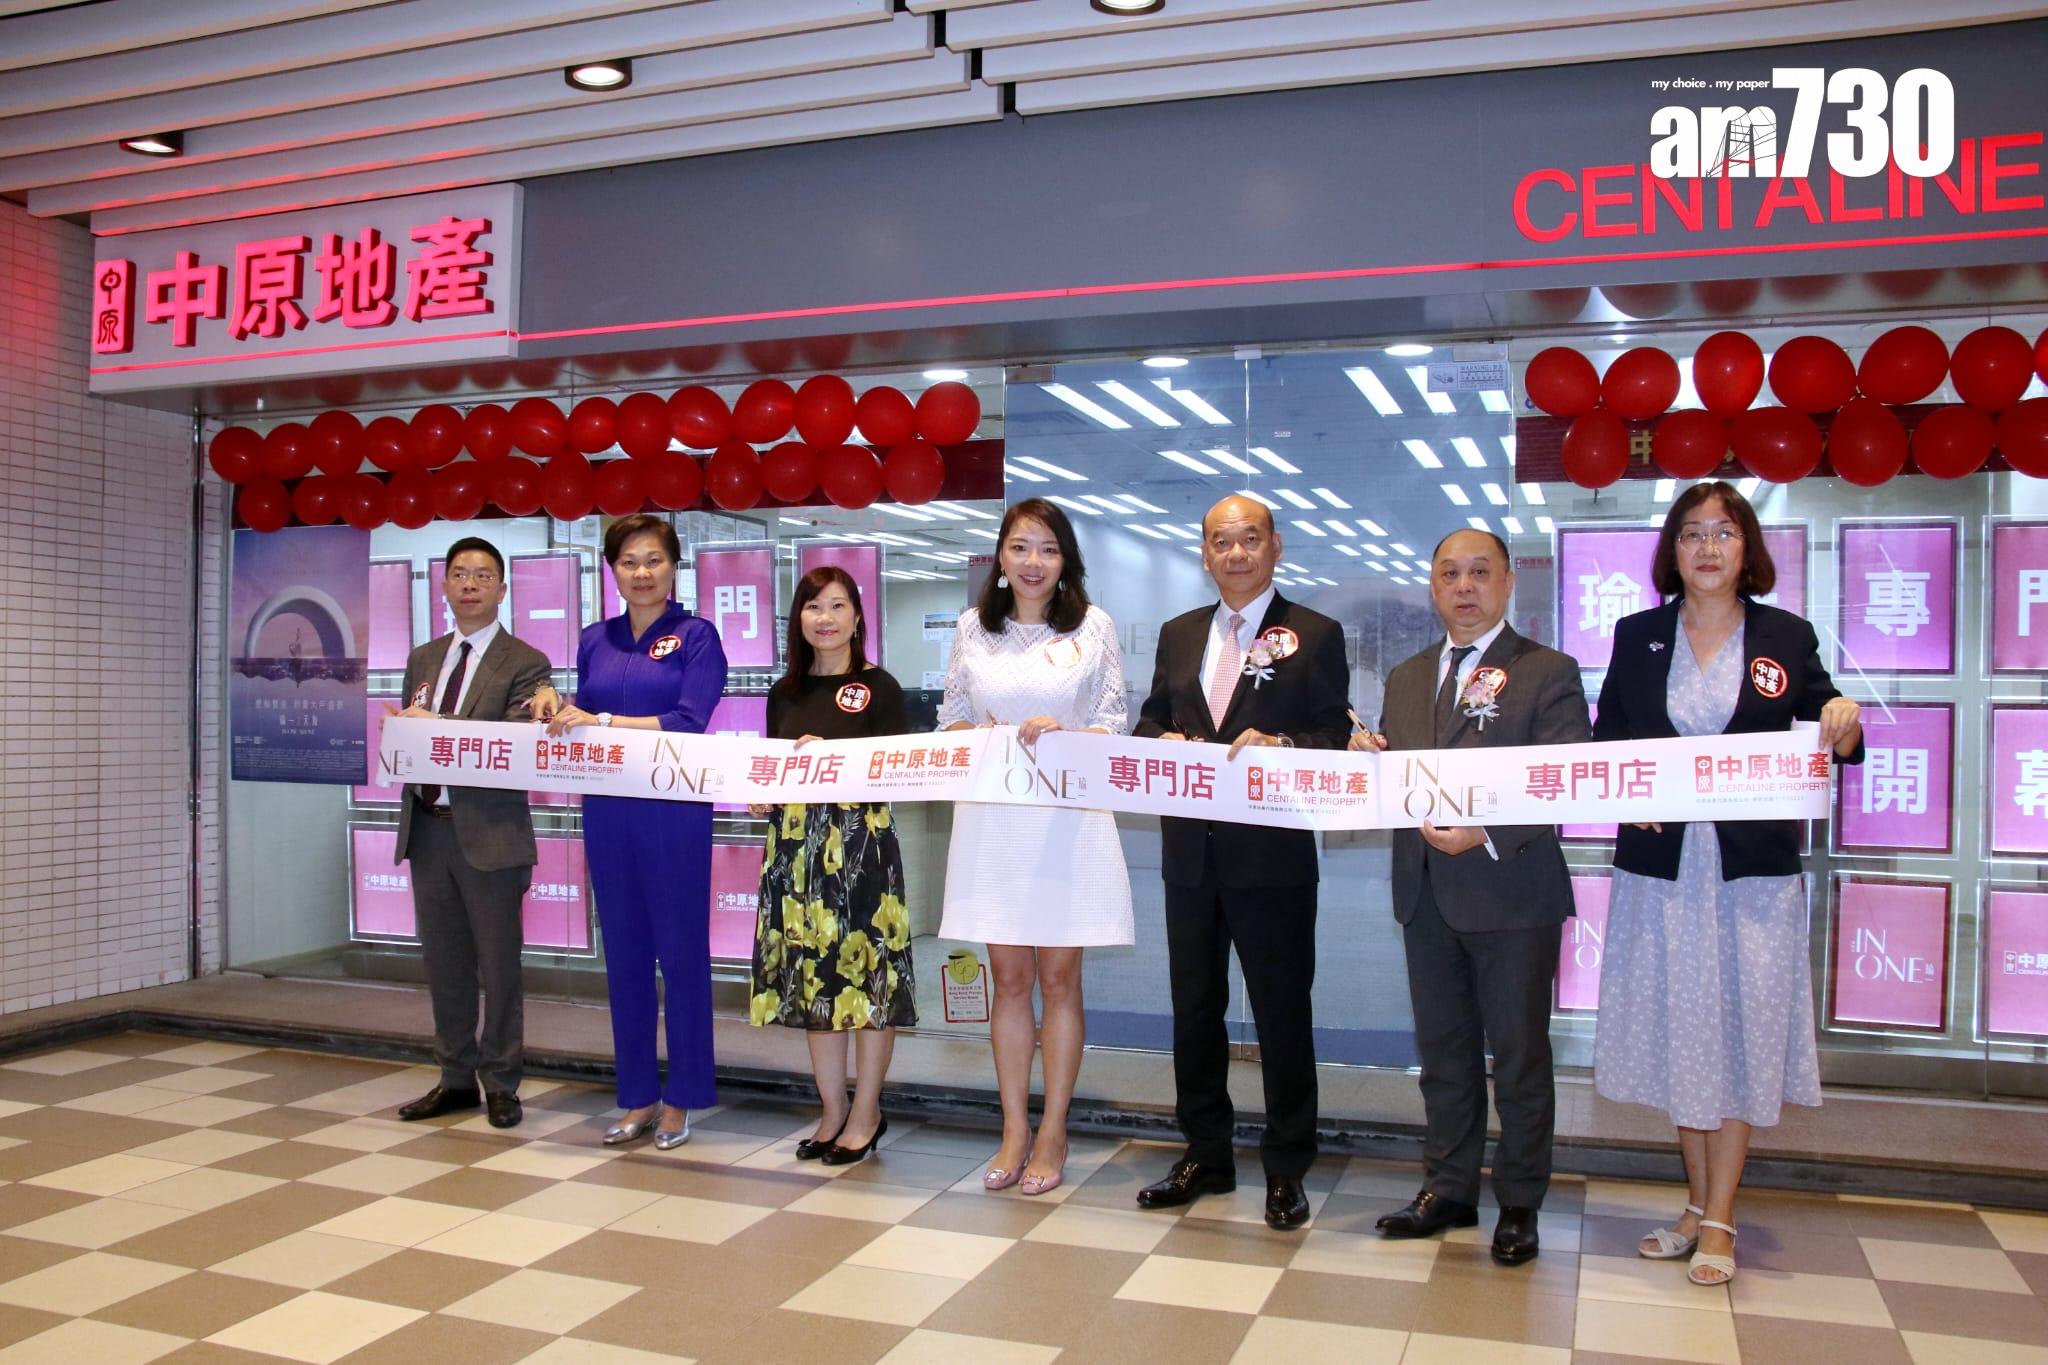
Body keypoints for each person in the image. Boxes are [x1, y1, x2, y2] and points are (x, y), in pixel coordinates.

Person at [1592, 480, 1861, 1287]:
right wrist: (1626, 793)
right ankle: (1694, 1202)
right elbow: (1607, 741)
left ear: (1748, 547)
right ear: (1671, 551)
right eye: (1691, 533)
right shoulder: (1637, 634)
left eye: (1723, 531)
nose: (1707, 547)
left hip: (1750, 873)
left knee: (1741, 1027)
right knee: (1684, 1028)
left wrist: (1843, 714)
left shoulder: (1785, 633)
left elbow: (1832, 722)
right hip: (1665, 869)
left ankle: (1720, 1215)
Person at [1355, 528, 1589, 1265]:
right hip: (1425, 894)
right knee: (1444, 1056)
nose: (1464, 587)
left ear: (1508, 581)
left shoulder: (1546, 670)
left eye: (1480, 572)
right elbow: (1400, 775)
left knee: (1518, 1059)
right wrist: (1368, 760)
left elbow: (1566, 773)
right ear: (1432, 586)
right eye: (1450, 573)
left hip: (1511, 891)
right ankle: (1448, 1188)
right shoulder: (1407, 676)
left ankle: (1519, 1201)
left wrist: (1486, 829)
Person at [1132, 494, 1350, 1230]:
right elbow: (1150, 719)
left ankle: (1287, 1164)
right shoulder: (1179, 633)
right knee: (1194, 1010)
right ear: (1205, 553)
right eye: (1221, 541)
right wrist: (1157, 740)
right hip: (1190, 855)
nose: (1236, 553)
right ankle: (1207, 1153)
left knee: (1282, 1013)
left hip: (1273, 858)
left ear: (1275, 546)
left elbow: (1335, 737)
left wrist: (1282, 746)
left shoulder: (1315, 633)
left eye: (1249, 539)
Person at [938, 497, 1131, 1196]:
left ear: (1065, 560)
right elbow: (951, 719)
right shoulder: (972, 628)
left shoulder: (1093, 627)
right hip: (995, 820)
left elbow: (1115, 723)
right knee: (1010, 979)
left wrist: (1067, 733)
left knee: (1060, 980)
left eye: (1048, 549)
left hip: (1067, 820)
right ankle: (1014, 1128)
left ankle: (1054, 1129)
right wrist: (980, 735)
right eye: (1020, 547)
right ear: (1000, 555)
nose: (1033, 562)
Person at [545, 514, 729, 1149]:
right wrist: (559, 710)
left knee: (680, 956)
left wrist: (600, 721)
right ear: (612, 570)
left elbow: (689, 719)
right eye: (628, 562)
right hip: (608, 810)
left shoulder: (697, 636)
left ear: (674, 567)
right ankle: (638, 1096)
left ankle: (683, 1098)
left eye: (654, 560)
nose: (642, 572)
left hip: (674, 812)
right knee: (623, 957)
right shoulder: (594, 639)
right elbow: (578, 712)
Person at [747, 566, 915, 1167]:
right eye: (813, 606)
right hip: (795, 853)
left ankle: (867, 1113)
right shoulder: (783, 692)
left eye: (838, 605)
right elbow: (775, 763)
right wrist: (762, 793)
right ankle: (831, 1109)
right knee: (815, 982)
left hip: (862, 851)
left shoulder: (880, 686)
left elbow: (899, 770)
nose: (825, 618)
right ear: (798, 618)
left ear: (857, 616)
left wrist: (835, 757)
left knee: (870, 984)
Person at [390, 537, 553, 1130]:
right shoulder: (423, 658)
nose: (470, 584)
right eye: (459, 574)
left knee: (499, 967)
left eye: (483, 575)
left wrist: (434, 726)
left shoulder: (526, 662)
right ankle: (455, 1078)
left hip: (491, 833)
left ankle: (502, 1082)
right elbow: (411, 738)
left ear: (502, 589)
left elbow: (510, 743)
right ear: (444, 586)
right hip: (428, 830)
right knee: (445, 965)